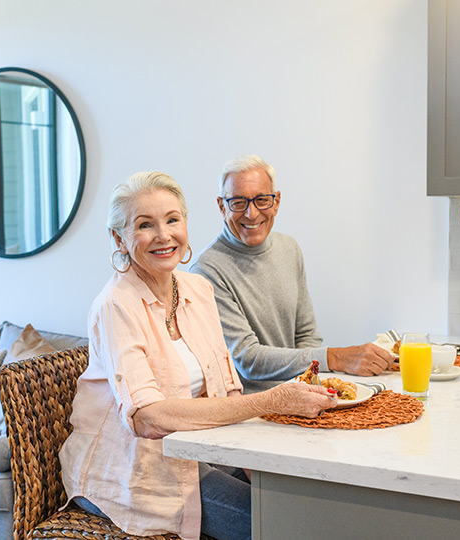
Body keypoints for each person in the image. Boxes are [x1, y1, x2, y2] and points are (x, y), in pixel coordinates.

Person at [59, 171, 337, 540]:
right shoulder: (115, 306)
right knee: (280, 526)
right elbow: (150, 419)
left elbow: (228, 392)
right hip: (137, 470)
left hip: (200, 449)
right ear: (119, 239)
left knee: (307, 504)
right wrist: (272, 401)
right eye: (145, 225)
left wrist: (252, 463)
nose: (163, 235)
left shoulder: (197, 289)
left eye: (172, 220)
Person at [190, 155, 394, 393]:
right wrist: (335, 358)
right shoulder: (206, 270)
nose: (252, 213)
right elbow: (247, 359)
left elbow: (306, 334)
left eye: (262, 200)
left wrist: (307, 384)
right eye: (238, 202)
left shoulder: (289, 248)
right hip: (252, 412)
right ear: (221, 206)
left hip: (298, 398)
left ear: (276, 202)